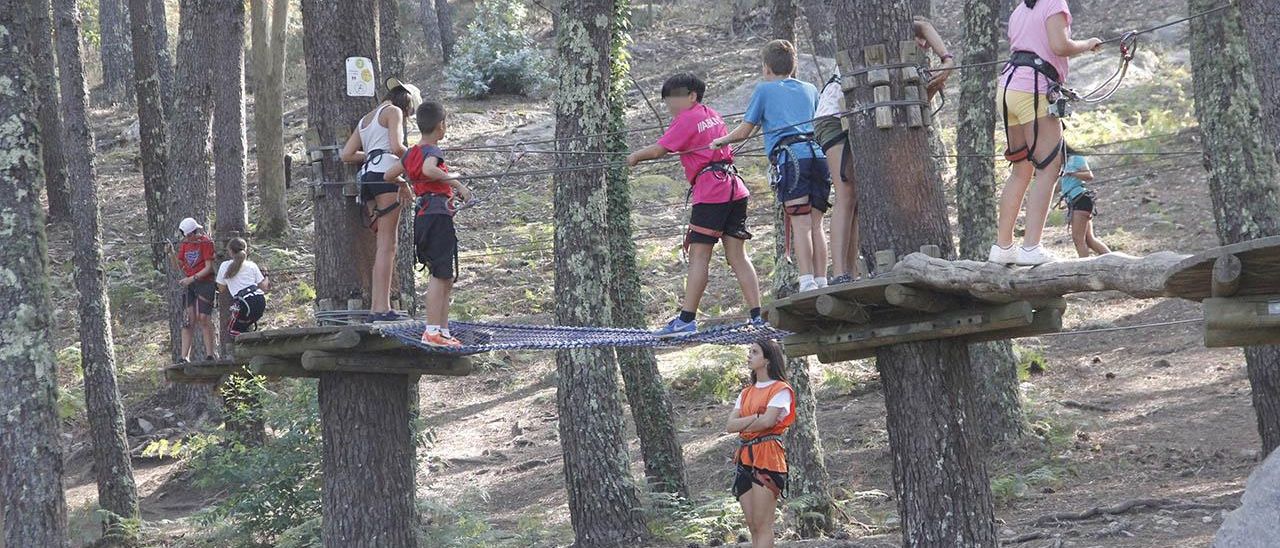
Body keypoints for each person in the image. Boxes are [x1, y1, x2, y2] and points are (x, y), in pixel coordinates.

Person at [813, 20, 953, 285]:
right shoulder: (881, 35)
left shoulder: (910, 65)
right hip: (832, 116)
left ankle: (850, 272)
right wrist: (947, 60)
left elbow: (911, 107)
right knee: (846, 193)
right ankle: (840, 272)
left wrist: (934, 81)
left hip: (854, 119)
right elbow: (922, 24)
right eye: (919, 42)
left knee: (854, 199)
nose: (921, 46)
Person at [626, 73, 764, 336]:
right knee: (738, 256)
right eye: (668, 100)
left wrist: (634, 157)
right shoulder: (711, 114)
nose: (671, 106)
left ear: (692, 96)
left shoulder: (687, 119)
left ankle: (686, 320)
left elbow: (658, 150)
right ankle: (758, 316)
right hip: (734, 188)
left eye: (675, 99)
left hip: (712, 191)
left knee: (699, 256)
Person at [989, 0, 1101, 266]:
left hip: (1008, 88)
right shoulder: (1054, 3)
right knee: (1049, 169)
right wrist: (1088, 44)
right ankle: (1031, 248)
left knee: (1021, 170)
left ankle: (1003, 247)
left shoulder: (1020, 8)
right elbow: (1060, 46)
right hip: (1034, 88)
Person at [713, 39, 829, 293]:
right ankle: (822, 280)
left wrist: (720, 141)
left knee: (800, 223)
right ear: (793, 66)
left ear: (766, 68)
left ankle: (807, 281)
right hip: (818, 156)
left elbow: (745, 130)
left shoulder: (764, 90)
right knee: (817, 224)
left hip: (792, 159)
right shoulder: (810, 89)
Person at [384, 101, 472, 348]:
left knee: (445, 274)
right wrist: (457, 183)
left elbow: (388, 175)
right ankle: (432, 330)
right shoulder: (432, 151)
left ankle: (442, 331)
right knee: (439, 274)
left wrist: (406, 183)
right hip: (436, 216)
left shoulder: (411, 152)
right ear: (440, 126)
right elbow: (429, 170)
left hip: (425, 217)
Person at [340, 77, 422, 321]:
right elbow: (398, 148)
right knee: (388, 245)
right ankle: (382, 308)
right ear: (406, 105)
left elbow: (347, 154)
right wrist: (418, 157)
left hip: (367, 178)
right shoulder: (393, 112)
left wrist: (373, 154)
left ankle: (379, 305)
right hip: (386, 177)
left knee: (382, 245)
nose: (406, 117)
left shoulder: (366, 119)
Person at [726, 339, 796, 548]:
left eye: (754, 352)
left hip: (768, 456)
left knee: (763, 523)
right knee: (752, 525)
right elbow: (730, 425)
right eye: (749, 351)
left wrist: (744, 423)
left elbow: (768, 422)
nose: (749, 355)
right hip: (745, 456)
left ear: (767, 359)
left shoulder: (780, 389)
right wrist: (756, 415)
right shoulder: (746, 392)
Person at [171, 217, 217, 363]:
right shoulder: (185, 244)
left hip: (205, 283)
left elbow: (208, 267)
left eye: (188, 235)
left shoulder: (206, 242)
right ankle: (184, 357)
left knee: (203, 318)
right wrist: (171, 253)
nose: (187, 238)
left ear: (193, 232)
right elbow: (178, 265)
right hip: (190, 285)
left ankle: (210, 355)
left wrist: (192, 279)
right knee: (188, 320)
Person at [1059, 145, 1110, 257]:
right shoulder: (1063, 165)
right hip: (1075, 201)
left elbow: (1089, 175)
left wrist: (1072, 173)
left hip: (1080, 199)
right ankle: (1114, 259)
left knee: (1078, 239)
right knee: (1089, 240)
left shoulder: (1076, 159)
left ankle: (1084, 266)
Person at [215, 238, 271, 337]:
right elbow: (264, 287)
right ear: (246, 250)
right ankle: (252, 338)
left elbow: (221, 288)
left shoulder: (224, 266)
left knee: (232, 331)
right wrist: (266, 275)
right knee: (243, 328)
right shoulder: (252, 265)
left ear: (230, 251)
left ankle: (250, 341)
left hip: (244, 303)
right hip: (260, 301)